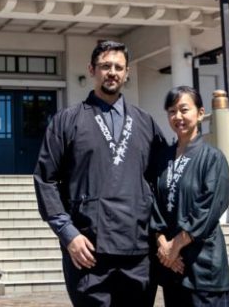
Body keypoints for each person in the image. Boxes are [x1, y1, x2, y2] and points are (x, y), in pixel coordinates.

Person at [33, 40, 171, 307]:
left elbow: (162, 179)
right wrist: (68, 233)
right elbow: (45, 179)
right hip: (88, 250)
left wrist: (164, 234)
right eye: (105, 66)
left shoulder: (145, 123)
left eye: (119, 67)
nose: (112, 72)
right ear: (92, 70)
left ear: (127, 73)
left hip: (138, 250)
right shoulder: (67, 121)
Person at [152, 86, 229, 307]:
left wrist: (174, 247)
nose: (177, 116)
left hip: (203, 267)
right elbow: (154, 204)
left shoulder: (213, 159)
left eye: (184, 109)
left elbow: (207, 210)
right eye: (171, 111)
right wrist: (163, 246)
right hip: (173, 267)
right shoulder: (162, 158)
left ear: (200, 113)